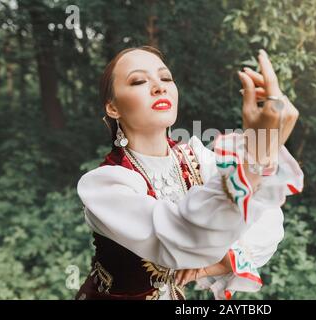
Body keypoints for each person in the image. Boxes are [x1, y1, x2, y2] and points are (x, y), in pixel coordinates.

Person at [75, 45, 303, 300]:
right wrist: (257, 154)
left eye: (165, 78)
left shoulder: (194, 157)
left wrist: (222, 261)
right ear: (113, 108)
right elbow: (177, 236)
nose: (159, 86)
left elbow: (266, 215)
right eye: (138, 81)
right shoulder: (105, 186)